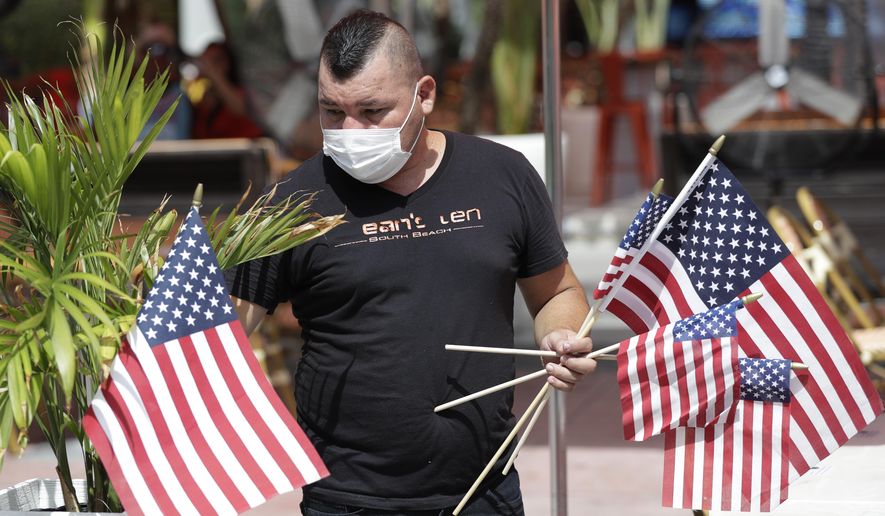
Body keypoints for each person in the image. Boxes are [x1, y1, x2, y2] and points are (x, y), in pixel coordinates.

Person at [226, 10, 597, 515]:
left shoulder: (501, 175)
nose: (350, 130)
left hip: (483, 492)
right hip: (350, 500)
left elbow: (556, 292)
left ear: (424, 95)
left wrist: (561, 334)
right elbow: (219, 337)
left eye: (372, 110)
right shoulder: (291, 202)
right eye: (332, 111)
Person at [192, 42, 264, 139]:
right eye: (205, 61)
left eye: (215, 60)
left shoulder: (242, 92)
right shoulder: (202, 100)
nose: (209, 66)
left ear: (228, 62)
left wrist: (213, 75)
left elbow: (239, 109)